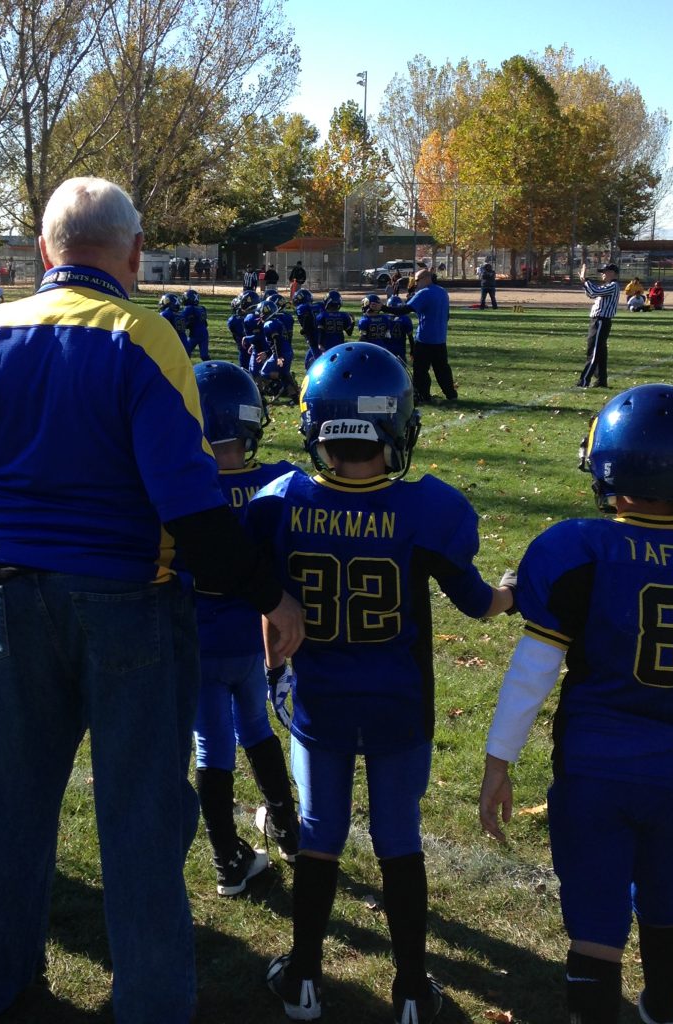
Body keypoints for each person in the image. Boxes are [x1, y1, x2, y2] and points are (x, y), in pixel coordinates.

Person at [0, 176, 304, 1023]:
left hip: (9, 602)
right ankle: (152, 1003)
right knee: (142, 821)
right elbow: (194, 510)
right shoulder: (144, 335)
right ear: (132, 255)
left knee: (2, 810)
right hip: (130, 602)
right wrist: (271, 592)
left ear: (44, 251)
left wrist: (9, 552)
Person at [246, 342, 516, 1024]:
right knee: (400, 837)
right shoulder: (428, 509)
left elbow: (264, 599)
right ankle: (410, 991)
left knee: (319, 831)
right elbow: (477, 602)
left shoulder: (280, 501)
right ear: (393, 423)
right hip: (399, 703)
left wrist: (274, 666)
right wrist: (512, 593)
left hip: (320, 705)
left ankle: (304, 976)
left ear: (317, 425)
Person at [479, 383, 673, 1024]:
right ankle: (664, 1006)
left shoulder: (575, 550)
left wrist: (500, 761)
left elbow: (532, 674)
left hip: (594, 770)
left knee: (596, 919)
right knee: (666, 899)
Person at [191, 361, 301, 895]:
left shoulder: (182, 489)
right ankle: (285, 825)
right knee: (255, 729)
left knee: (211, 747)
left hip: (196, 641)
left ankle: (226, 859)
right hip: (255, 639)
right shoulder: (277, 481)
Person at [406, 267, 456, 403]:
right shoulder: (442, 292)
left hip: (424, 339)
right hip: (440, 339)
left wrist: (382, 308)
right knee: (442, 369)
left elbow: (405, 309)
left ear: (426, 279)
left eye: (417, 280)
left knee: (420, 370)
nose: (416, 283)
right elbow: (447, 316)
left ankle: (423, 395)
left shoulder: (424, 293)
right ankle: (451, 394)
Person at [577, 263, 619, 389]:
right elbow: (592, 294)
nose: (602, 274)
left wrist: (586, 279)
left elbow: (595, 291)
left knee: (593, 351)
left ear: (612, 273)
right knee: (600, 352)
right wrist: (584, 283)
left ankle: (584, 380)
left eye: (605, 272)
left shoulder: (613, 286)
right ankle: (601, 381)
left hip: (601, 321)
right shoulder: (607, 286)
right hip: (598, 321)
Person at [183, 288, 209, 362]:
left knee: (185, 352)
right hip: (204, 333)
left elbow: (182, 318)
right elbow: (204, 323)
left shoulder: (188, 308)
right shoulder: (202, 308)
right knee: (204, 356)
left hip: (194, 334)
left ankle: (185, 368)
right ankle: (212, 368)